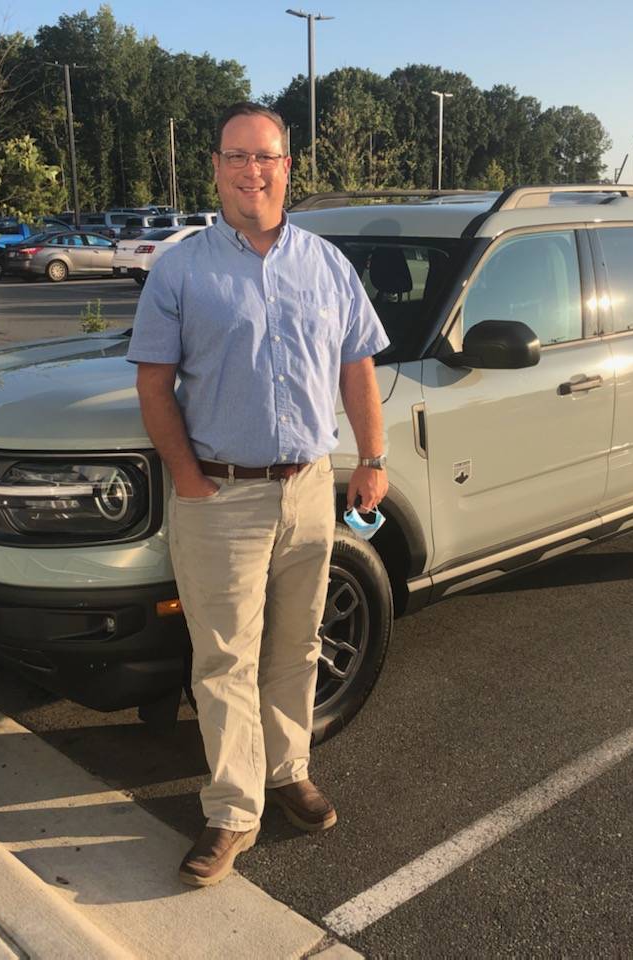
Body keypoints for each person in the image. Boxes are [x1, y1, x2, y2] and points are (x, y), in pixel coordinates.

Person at [127, 103, 390, 888]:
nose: (253, 171)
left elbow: (357, 368)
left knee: (296, 645)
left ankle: (288, 773)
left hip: (308, 488)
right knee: (224, 660)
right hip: (221, 496)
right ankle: (232, 811)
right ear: (216, 167)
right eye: (238, 157)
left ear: (286, 165)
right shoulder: (182, 268)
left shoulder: (326, 265)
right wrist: (186, 477)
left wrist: (370, 457)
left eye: (266, 157)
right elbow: (153, 382)